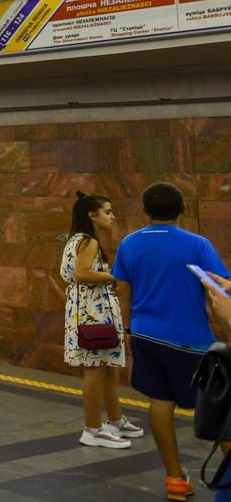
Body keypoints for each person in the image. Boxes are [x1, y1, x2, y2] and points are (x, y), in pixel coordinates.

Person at [113, 182, 228, 500]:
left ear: (145, 210)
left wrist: (127, 330)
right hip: (190, 340)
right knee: (221, 411)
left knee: (161, 401)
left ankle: (175, 480)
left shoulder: (129, 244)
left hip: (145, 335)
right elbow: (221, 287)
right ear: (183, 209)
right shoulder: (197, 244)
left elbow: (124, 293)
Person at [60, 191, 139, 449]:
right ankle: (93, 429)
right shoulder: (89, 242)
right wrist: (114, 276)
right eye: (107, 211)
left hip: (89, 309)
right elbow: (83, 274)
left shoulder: (75, 240)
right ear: (91, 215)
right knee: (94, 369)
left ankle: (114, 420)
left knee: (107, 369)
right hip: (93, 312)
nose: (112, 216)